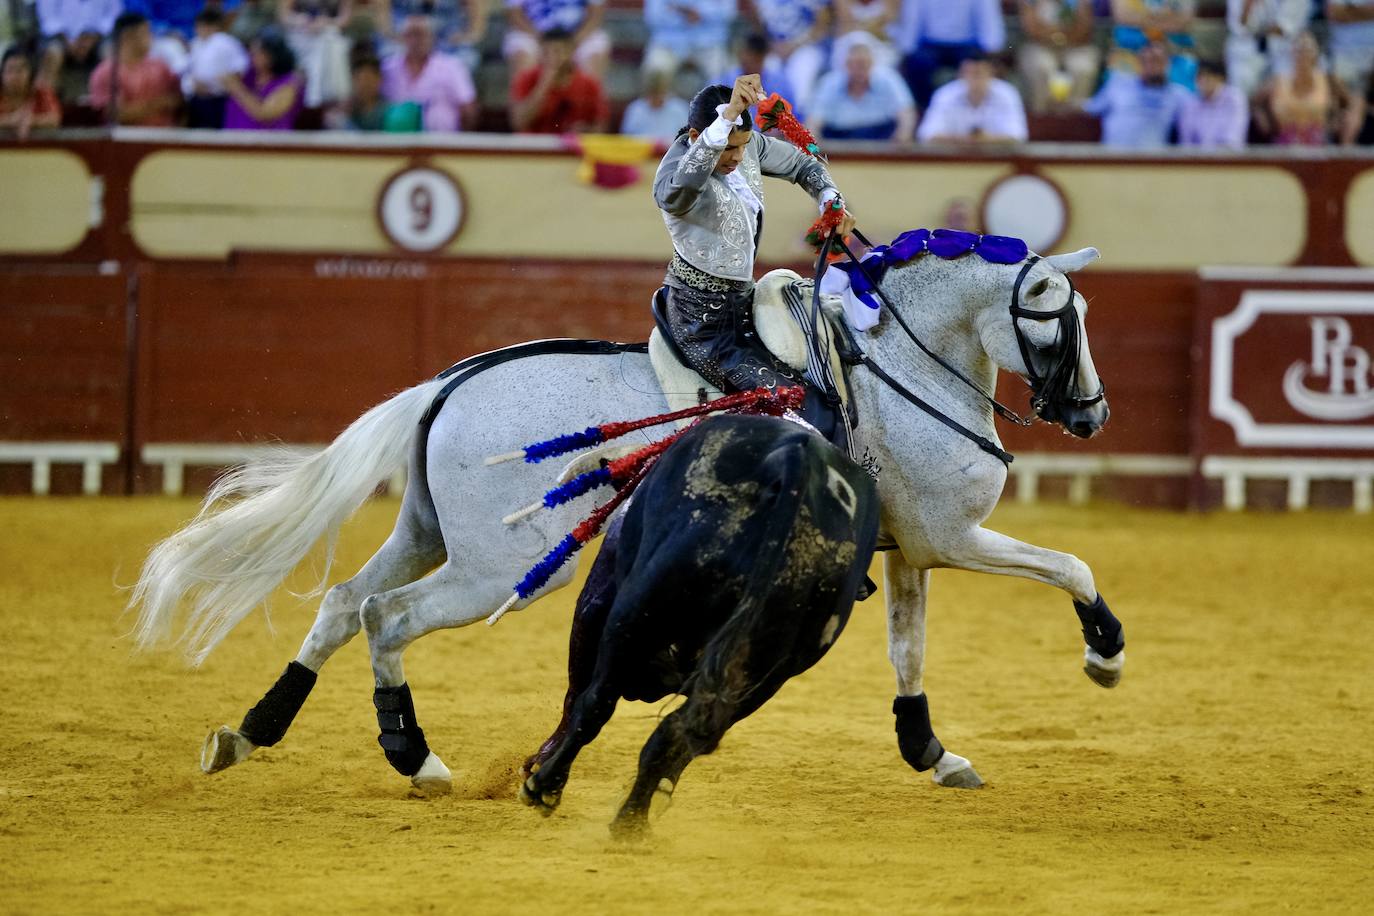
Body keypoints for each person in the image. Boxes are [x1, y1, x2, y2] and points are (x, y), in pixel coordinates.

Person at [654, 74, 856, 448]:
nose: (737, 157)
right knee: (796, 407)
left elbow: (803, 164)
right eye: (729, 148)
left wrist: (831, 200)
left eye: (744, 146)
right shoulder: (675, 171)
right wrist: (727, 117)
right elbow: (680, 191)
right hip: (703, 321)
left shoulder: (743, 147)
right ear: (699, 138)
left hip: (744, 304)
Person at [896, 0, 1005, 108]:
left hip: (967, 44)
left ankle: (970, 108)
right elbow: (912, 21)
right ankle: (925, 110)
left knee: (976, 67)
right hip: (930, 44)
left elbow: (989, 23)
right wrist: (907, 50)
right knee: (917, 65)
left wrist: (990, 53)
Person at [808, 31, 915, 140]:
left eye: (864, 64)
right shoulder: (829, 83)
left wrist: (903, 137)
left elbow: (906, 114)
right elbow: (814, 121)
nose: (859, 69)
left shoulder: (889, 78)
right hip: (839, 141)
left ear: (872, 62)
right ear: (845, 63)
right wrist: (813, 147)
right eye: (855, 64)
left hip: (881, 141)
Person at [1084, 40, 1190, 147]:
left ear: (1167, 63)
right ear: (1139, 63)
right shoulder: (1118, 84)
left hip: (1150, 160)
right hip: (1112, 158)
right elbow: (1089, 109)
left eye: (1156, 60)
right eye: (1146, 61)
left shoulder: (1178, 94)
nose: (1151, 66)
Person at [381, 13, 477, 130]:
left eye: (421, 35)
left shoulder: (452, 67)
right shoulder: (388, 68)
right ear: (403, 38)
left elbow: (467, 108)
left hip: (443, 142)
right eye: (411, 35)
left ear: (432, 38)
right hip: (398, 142)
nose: (416, 40)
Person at [88, 11, 181, 125]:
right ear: (127, 36)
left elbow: (178, 102)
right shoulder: (107, 72)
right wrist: (159, 104)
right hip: (126, 140)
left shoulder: (161, 67)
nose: (151, 37)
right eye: (146, 32)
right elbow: (117, 114)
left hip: (167, 138)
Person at [509, 26, 607, 132]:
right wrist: (544, 83)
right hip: (535, 146)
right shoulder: (526, 78)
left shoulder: (589, 84)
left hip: (573, 146)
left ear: (571, 52)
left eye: (558, 51)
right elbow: (519, 123)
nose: (553, 57)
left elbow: (601, 127)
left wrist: (585, 130)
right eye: (547, 52)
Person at [916, 51, 1027, 143]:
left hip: (996, 159)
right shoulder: (945, 94)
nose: (974, 79)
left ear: (991, 73)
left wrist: (982, 140)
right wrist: (968, 140)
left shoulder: (1007, 93)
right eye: (968, 73)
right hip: (954, 160)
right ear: (960, 74)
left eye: (978, 73)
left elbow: (1018, 136)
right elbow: (927, 135)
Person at [744, 0, 831, 111]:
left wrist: (795, 44)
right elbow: (758, 26)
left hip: (804, 47)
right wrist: (771, 45)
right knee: (767, 69)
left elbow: (822, 25)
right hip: (773, 48)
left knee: (801, 74)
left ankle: (797, 118)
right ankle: (767, 119)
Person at [1016, 0, 1100, 113]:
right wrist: (1057, 36)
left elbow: (1084, 27)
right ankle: (1042, 113)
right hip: (1040, 45)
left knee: (1083, 68)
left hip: (1075, 45)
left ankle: (1075, 115)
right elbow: (1032, 28)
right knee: (1041, 66)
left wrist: (1060, 37)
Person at [503, 0, 609, 79]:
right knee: (521, 48)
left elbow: (596, 14)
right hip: (532, 34)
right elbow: (514, 14)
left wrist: (573, 41)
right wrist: (541, 39)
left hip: (577, 36)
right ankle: (524, 103)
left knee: (595, 46)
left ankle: (587, 105)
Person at [1224, 0, 1310, 97]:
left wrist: (1257, 30)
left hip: (1283, 48)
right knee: (1241, 85)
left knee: (1285, 88)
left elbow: (1285, 27)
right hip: (1247, 48)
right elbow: (1238, 27)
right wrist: (1247, 6)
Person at [222, 28, 303, 129]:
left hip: (270, 142)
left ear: (273, 55)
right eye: (251, 52)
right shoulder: (247, 74)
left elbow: (265, 114)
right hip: (234, 140)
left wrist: (236, 88)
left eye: (257, 53)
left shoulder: (289, 82)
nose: (251, 56)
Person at [182, 7, 248, 128]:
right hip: (197, 98)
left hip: (219, 99)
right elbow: (188, 69)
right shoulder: (196, 44)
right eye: (197, 27)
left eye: (202, 26)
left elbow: (240, 69)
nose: (198, 30)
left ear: (213, 26)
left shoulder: (227, 42)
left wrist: (217, 86)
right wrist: (193, 85)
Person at [1109, 0, 1197, 90]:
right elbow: (1123, 16)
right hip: (1129, 54)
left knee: (1183, 90)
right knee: (1122, 93)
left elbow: (1184, 21)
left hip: (1175, 55)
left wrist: (1142, 19)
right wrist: (1166, 17)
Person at [278, 0, 351, 107]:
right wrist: (298, 20)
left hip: (327, 34)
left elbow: (344, 20)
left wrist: (326, 22)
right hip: (299, 33)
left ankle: (317, 98)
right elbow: (283, 16)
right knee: (328, 44)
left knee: (329, 41)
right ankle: (325, 97)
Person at [642, 0, 736, 83]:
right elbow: (653, 16)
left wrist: (701, 13)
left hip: (709, 45)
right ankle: (672, 104)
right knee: (655, 72)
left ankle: (713, 103)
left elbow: (728, 12)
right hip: (669, 44)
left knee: (724, 76)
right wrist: (686, 15)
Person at [1265, 30, 1332, 146]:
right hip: (1287, 140)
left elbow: (1321, 110)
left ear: (1316, 52)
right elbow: (1280, 115)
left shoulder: (1323, 79)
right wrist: (1309, 112)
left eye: (1308, 49)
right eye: (1300, 49)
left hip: (1317, 140)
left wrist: (1293, 110)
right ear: (1292, 52)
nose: (1303, 54)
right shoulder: (1281, 80)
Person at [718, 32, 800, 119]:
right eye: (746, 54)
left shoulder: (780, 83)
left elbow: (793, 117)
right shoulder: (725, 80)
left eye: (755, 58)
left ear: (762, 57)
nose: (749, 60)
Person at [1177, 59, 1248, 147]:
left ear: (1220, 77)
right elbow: (1185, 142)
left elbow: (1232, 140)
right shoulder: (1190, 103)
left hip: (1228, 158)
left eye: (1207, 75)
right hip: (1196, 158)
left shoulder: (1234, 99)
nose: (1203, 80)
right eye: (1199, 76)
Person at [1, 47, 62, 137]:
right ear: (2, 73)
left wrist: (31, 120)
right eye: (10, 69)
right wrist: (11, 120)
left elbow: (54, 119)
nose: (15, 75)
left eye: (20, 70)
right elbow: (14, 121)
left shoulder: (41, 92)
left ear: (31, 73)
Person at [620, 67, 689, 141]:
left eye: (660, 92)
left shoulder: (680, 109)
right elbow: (626, 140)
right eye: (654, 92)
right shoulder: (635, 110)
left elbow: (687, 139)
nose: (657, 97)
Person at [1328, 0, 1374, 99]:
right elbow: (1335, 13)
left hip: (1372, 51)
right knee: (1341, 96)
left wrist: (1350, 10)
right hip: (1344, 53)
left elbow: (1342, 14)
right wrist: (1368, 13)